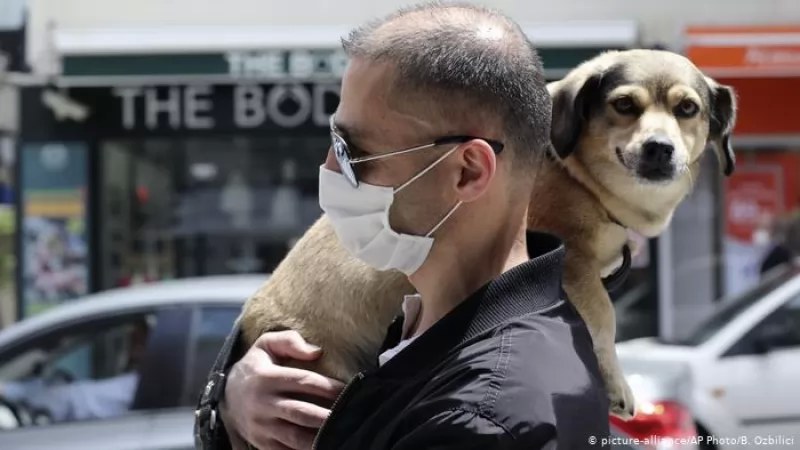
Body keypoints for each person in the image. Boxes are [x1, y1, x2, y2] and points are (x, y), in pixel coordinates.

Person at [195, 3, 610, 449]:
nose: (330, 166)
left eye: (354, 152)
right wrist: (230, 405)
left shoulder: (475, 421)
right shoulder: (431, 339)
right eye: (334, 141)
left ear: (467, 172)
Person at [0, 317, 149, 423]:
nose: (132, 350)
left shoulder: (142, 386)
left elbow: (72, 400)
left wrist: (9, 390)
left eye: (138, 342)